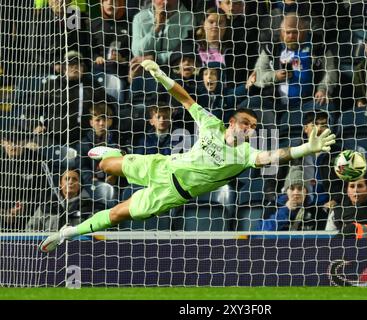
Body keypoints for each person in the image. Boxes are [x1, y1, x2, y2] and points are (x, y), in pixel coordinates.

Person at [39, 59, 336, 252]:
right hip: (161, 166)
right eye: (247, 123)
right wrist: (161, 75)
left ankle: (69, 232)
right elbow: (185, 97)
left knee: (117, 215)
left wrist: (304, 149)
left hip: (172, 194)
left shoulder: (246, 153)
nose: (250, 129)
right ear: (233, 122)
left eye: (254, 127)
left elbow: (273, 155)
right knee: (105, 164)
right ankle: (115, 152)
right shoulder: (210, 123)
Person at [241, 13, 337, 112]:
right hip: (274, 104)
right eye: (288, 32)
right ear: (282, 32)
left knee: (326, 106)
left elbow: (330, 70)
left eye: (295, 32)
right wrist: (275, 76)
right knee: (249, 104)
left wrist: (323, 89)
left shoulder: (319, 45)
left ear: (304, 31)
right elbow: (257, 76)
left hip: (308, 103)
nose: (291, 36)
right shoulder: (271, 47)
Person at [279, 111, 343, 211]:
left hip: (327, 205)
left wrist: (336, 200)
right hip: (296, 202)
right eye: (314, 124)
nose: (319, 129)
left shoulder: (339, 153)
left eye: (324, 125)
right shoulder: (293, 151)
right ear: (305, 128)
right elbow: (274, 182)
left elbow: (347, 184)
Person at [0, 131, 49, 231]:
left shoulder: (37, 159)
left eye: (16, 141)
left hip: (30, 213)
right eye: (9, 142)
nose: (13, 145)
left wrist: (26, 205)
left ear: (24, 142)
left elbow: (44, 189)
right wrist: (5, 213)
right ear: (2, 142)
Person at [27, 169, 103, 231]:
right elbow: (30, 229)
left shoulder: (90, 207)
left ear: (80, 185)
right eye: (67, 179)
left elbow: (95, 231)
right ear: (60, 183)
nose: (70, 182)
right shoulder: (47, 206)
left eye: (75, 179)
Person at [131, 0, 193, 67]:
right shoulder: (140, 18)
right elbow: (137, 53)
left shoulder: (189, 18)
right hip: (146, 68)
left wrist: (155, 58)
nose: (166, 2)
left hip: (175, 68)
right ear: (153, 1)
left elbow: (185, 52)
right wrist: (157, 28)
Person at [260, 170, 326, 231]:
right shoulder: (273, 206)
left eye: (300, 188)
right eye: (292, 188)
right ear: (286, 191)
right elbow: (261, 231)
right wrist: (285, 210)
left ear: (306, 191)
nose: (296, 192)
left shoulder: (316, 209)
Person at [80, 103, 120, 187]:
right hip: (89, 184)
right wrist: (90, 178)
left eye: (105, 120)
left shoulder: (118, 142)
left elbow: (121, 163)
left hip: (112, 185)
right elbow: (82, 166)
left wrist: (114, 176)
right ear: (91, 122)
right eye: (98, 120)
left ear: (110, 121)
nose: (101, 123)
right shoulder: (83, 144)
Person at [91, 0, 131, 81]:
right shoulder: (95, 24)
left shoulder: (130, 24)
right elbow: (89, 49)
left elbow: (135, 52)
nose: (109, 3)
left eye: (114, 0)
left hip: (121, 73)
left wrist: (123, 59)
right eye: (106, 0)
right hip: (98, 72)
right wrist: (96, 57)